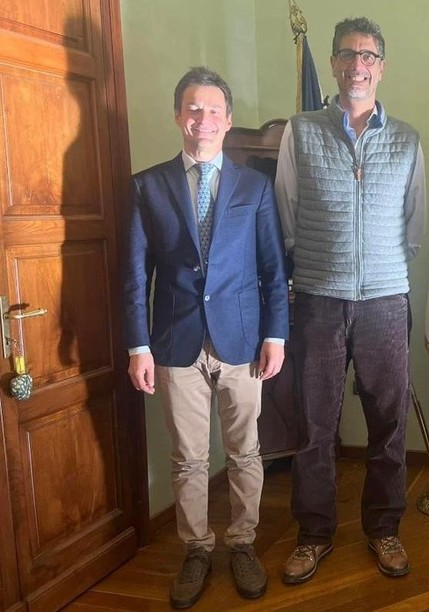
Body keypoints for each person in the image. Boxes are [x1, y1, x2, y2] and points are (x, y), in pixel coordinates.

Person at [123, 66, 289, 609]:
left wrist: (276, 335)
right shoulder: (147, 186)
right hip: (174, 343)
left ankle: (242, 543)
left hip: (242, 341)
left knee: (245, 451)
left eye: (214, 109)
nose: (204, 119)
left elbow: (272, 270)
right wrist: (138, 345)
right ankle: (196, 548)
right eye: (194, 108)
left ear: (228, 119)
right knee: (189, 458)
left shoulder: (254, 187)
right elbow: (135, 274)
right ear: (178, 115)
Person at [274, 17, 426, 584]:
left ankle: (384, 528)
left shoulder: (407, 139)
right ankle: (314, 535)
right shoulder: (301, 130)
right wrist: (313, 265)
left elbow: (415, 226)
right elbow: (285, 213)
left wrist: (382, 271)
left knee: (388, 423)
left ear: (381, 68)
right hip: (317, 300)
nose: (357, 64)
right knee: (315, 425)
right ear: (335, 65)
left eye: (368, 55)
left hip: (386, 302)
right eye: (347, 54)